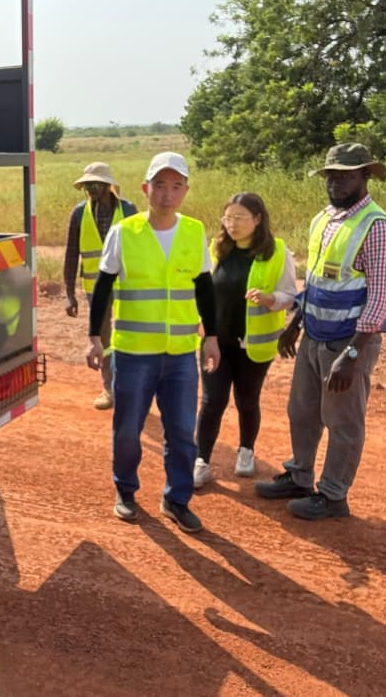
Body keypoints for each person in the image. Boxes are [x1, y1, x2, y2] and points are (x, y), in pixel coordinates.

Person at [255, 143, 386, 520]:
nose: (336, 182)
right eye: (331, 175)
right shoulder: (324, 219)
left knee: (343, 421)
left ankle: (334, 495)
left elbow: (381, 299)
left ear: (366, 175)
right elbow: (318, 280)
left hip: (348, 342)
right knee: (301, 411)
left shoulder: (377, 226)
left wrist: (352, 355)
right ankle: (300, 476)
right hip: (314, 334)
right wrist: (296, 321)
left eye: (346, 175)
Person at [86, 151, 220, 533]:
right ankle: (125, 491)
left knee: (180, 432)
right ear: (145, 189)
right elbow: (104, 286)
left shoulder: (194, 232)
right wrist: (94, 337)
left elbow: (204, 288)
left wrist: (211, 337)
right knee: (127, 430)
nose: (167, 194)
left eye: (176, 186)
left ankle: (176, 499)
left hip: (179, 355)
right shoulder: (125, 232)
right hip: (133, 354)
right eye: (159, 185)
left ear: (186, 191)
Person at [193, 193, 297, 487]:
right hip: (216, 340)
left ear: (258, 219)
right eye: (228, 218)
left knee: (247, 400)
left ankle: (246, 451)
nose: (232, 225)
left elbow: (291, 296)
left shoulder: (277, 251)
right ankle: (201, 460)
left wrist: (270, 299)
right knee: (212, 400)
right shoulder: (216, 249)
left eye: (239, 218)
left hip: (254, 345)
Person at [64, 161, 136, 409]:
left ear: (108, 186)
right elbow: (71, 254)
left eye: (95, 184)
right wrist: (69, 294)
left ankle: (130, 386)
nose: (91, 189)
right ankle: (109, 389)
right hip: (95, 288)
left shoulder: (128, 210)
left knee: (128, 335)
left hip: (128, 286)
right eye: (87, 185)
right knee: (102, 339)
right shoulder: (79, 213)